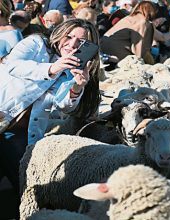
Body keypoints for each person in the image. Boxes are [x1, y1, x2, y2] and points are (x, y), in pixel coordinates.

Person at [0, 19, 100, 216]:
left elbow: (64, 104)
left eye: (81, 42)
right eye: (69, 37)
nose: (72, 45)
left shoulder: (72, 69)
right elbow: (13, 65)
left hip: (20, 133)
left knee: (25, 183)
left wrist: (78, 86)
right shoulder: (36, 43)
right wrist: (52, 68)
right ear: (59, 33)